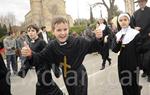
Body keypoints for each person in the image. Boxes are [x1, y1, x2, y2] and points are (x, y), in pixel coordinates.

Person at [21, 17, 103, 95]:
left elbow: (93, 46)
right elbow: (39, 58)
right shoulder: (51, 46)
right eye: (59, 30)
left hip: (79, 74)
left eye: (65, 29)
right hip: (66, 75)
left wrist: (98, 38)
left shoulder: (78, 41)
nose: (63, 33)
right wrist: (31, 54)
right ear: (53, 31)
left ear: (68, 29)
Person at [18, 25, 63, 95]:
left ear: (37, 32)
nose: (30, 33)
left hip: (45, 68)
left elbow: (49, 55)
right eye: (29, 31)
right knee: (44, 86)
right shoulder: (30, 44)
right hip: (38, 68)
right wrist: (23, 71)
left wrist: (55, 70)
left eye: (33, 31)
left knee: (45, 85)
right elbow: (29, 58)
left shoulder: (41, 42)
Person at [112, 13, 143, 95]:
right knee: (124, 83)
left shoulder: (135, 33)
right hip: (122, 64)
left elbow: (139, 50)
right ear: (119, 22)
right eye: (121, 20)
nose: (123, 22)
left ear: (129, 21)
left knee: (133, 84)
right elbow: (115, 50)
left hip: (133, 63)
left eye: (125, 20)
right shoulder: (117, 35)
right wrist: (118, 43)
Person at [131, 0, 150, 82]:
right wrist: (134, 28)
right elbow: (132, 24)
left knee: (147, 58)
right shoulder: (135, 13)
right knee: (141, 58)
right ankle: (145, 71)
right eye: (139, 2)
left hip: (148, 37)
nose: (141, 3)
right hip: (139, 38)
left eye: (142, 1)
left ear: (146, 2)